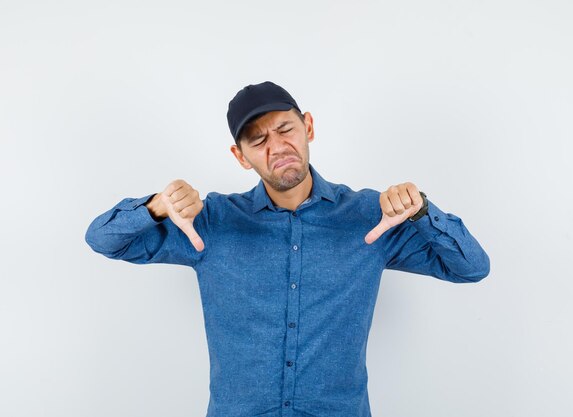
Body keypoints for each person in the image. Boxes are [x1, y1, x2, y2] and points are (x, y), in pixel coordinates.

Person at [85, 81, 490, 417]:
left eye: (285, 129)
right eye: (257, 140)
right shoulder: (211, 222)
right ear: (240, 156)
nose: (276, 146)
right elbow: (103, 239)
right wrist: (155, 207)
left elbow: (471, 267)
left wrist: (421, 210)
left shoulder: (372, 216)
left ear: (308, 126)